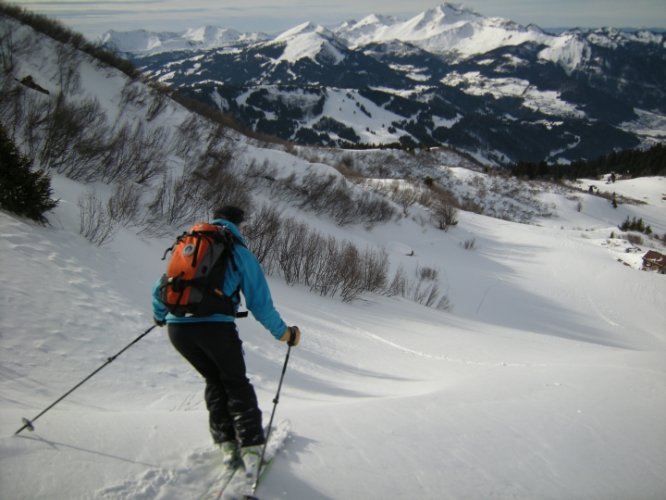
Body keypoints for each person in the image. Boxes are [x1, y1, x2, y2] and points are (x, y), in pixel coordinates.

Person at [151, 205, 301, 476]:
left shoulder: (188, 246)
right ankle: (252, 448)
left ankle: (227, 444)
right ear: (238, 225)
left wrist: (160, 316)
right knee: (235, 382)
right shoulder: (238, 252)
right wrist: (284, 333)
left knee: (214, 380)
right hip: (215, 329)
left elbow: (162, 286)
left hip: (178, 330)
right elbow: (260, 304)